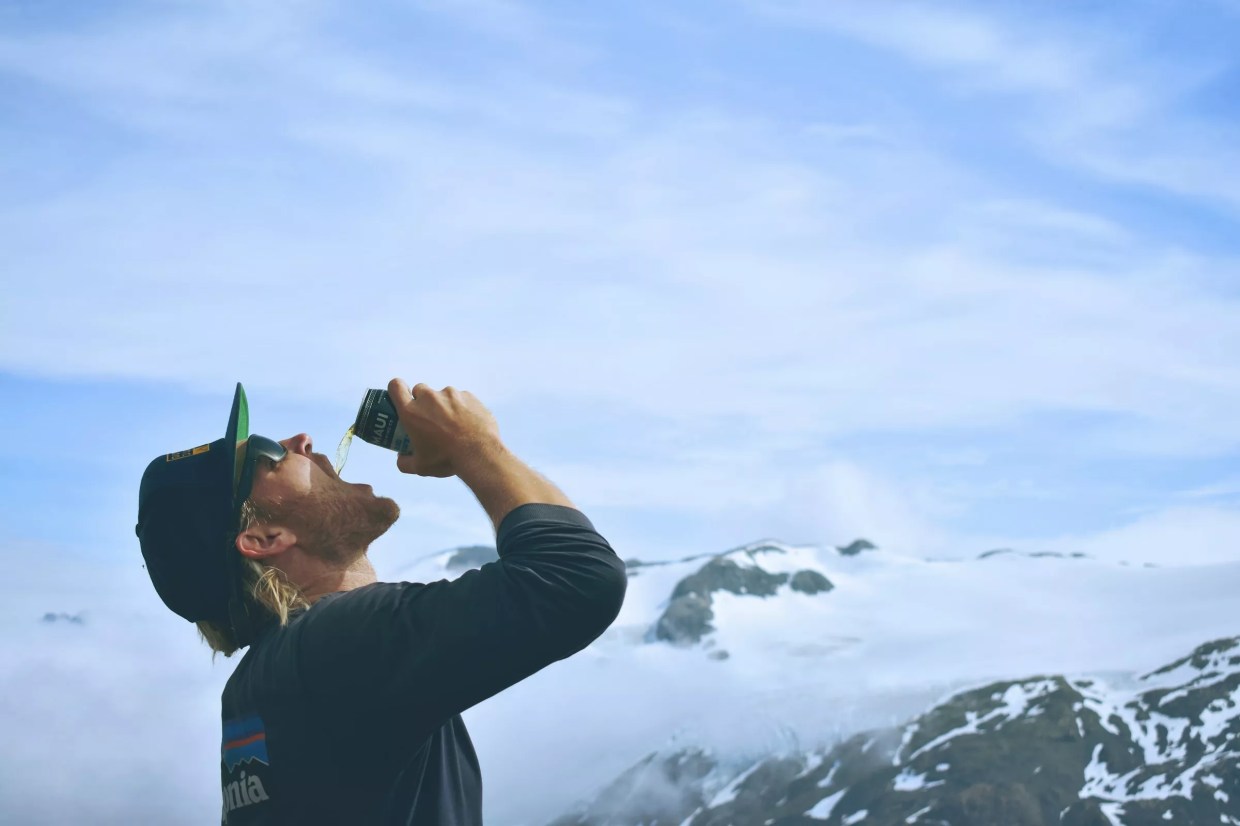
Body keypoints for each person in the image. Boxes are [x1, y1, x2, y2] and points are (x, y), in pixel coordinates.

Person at [135, 378, 628, 824]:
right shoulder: (336, 642)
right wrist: (474, 445)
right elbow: (577, 577)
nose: (300, 442)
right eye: (267, 455)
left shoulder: (259, 687)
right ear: (264, 537)